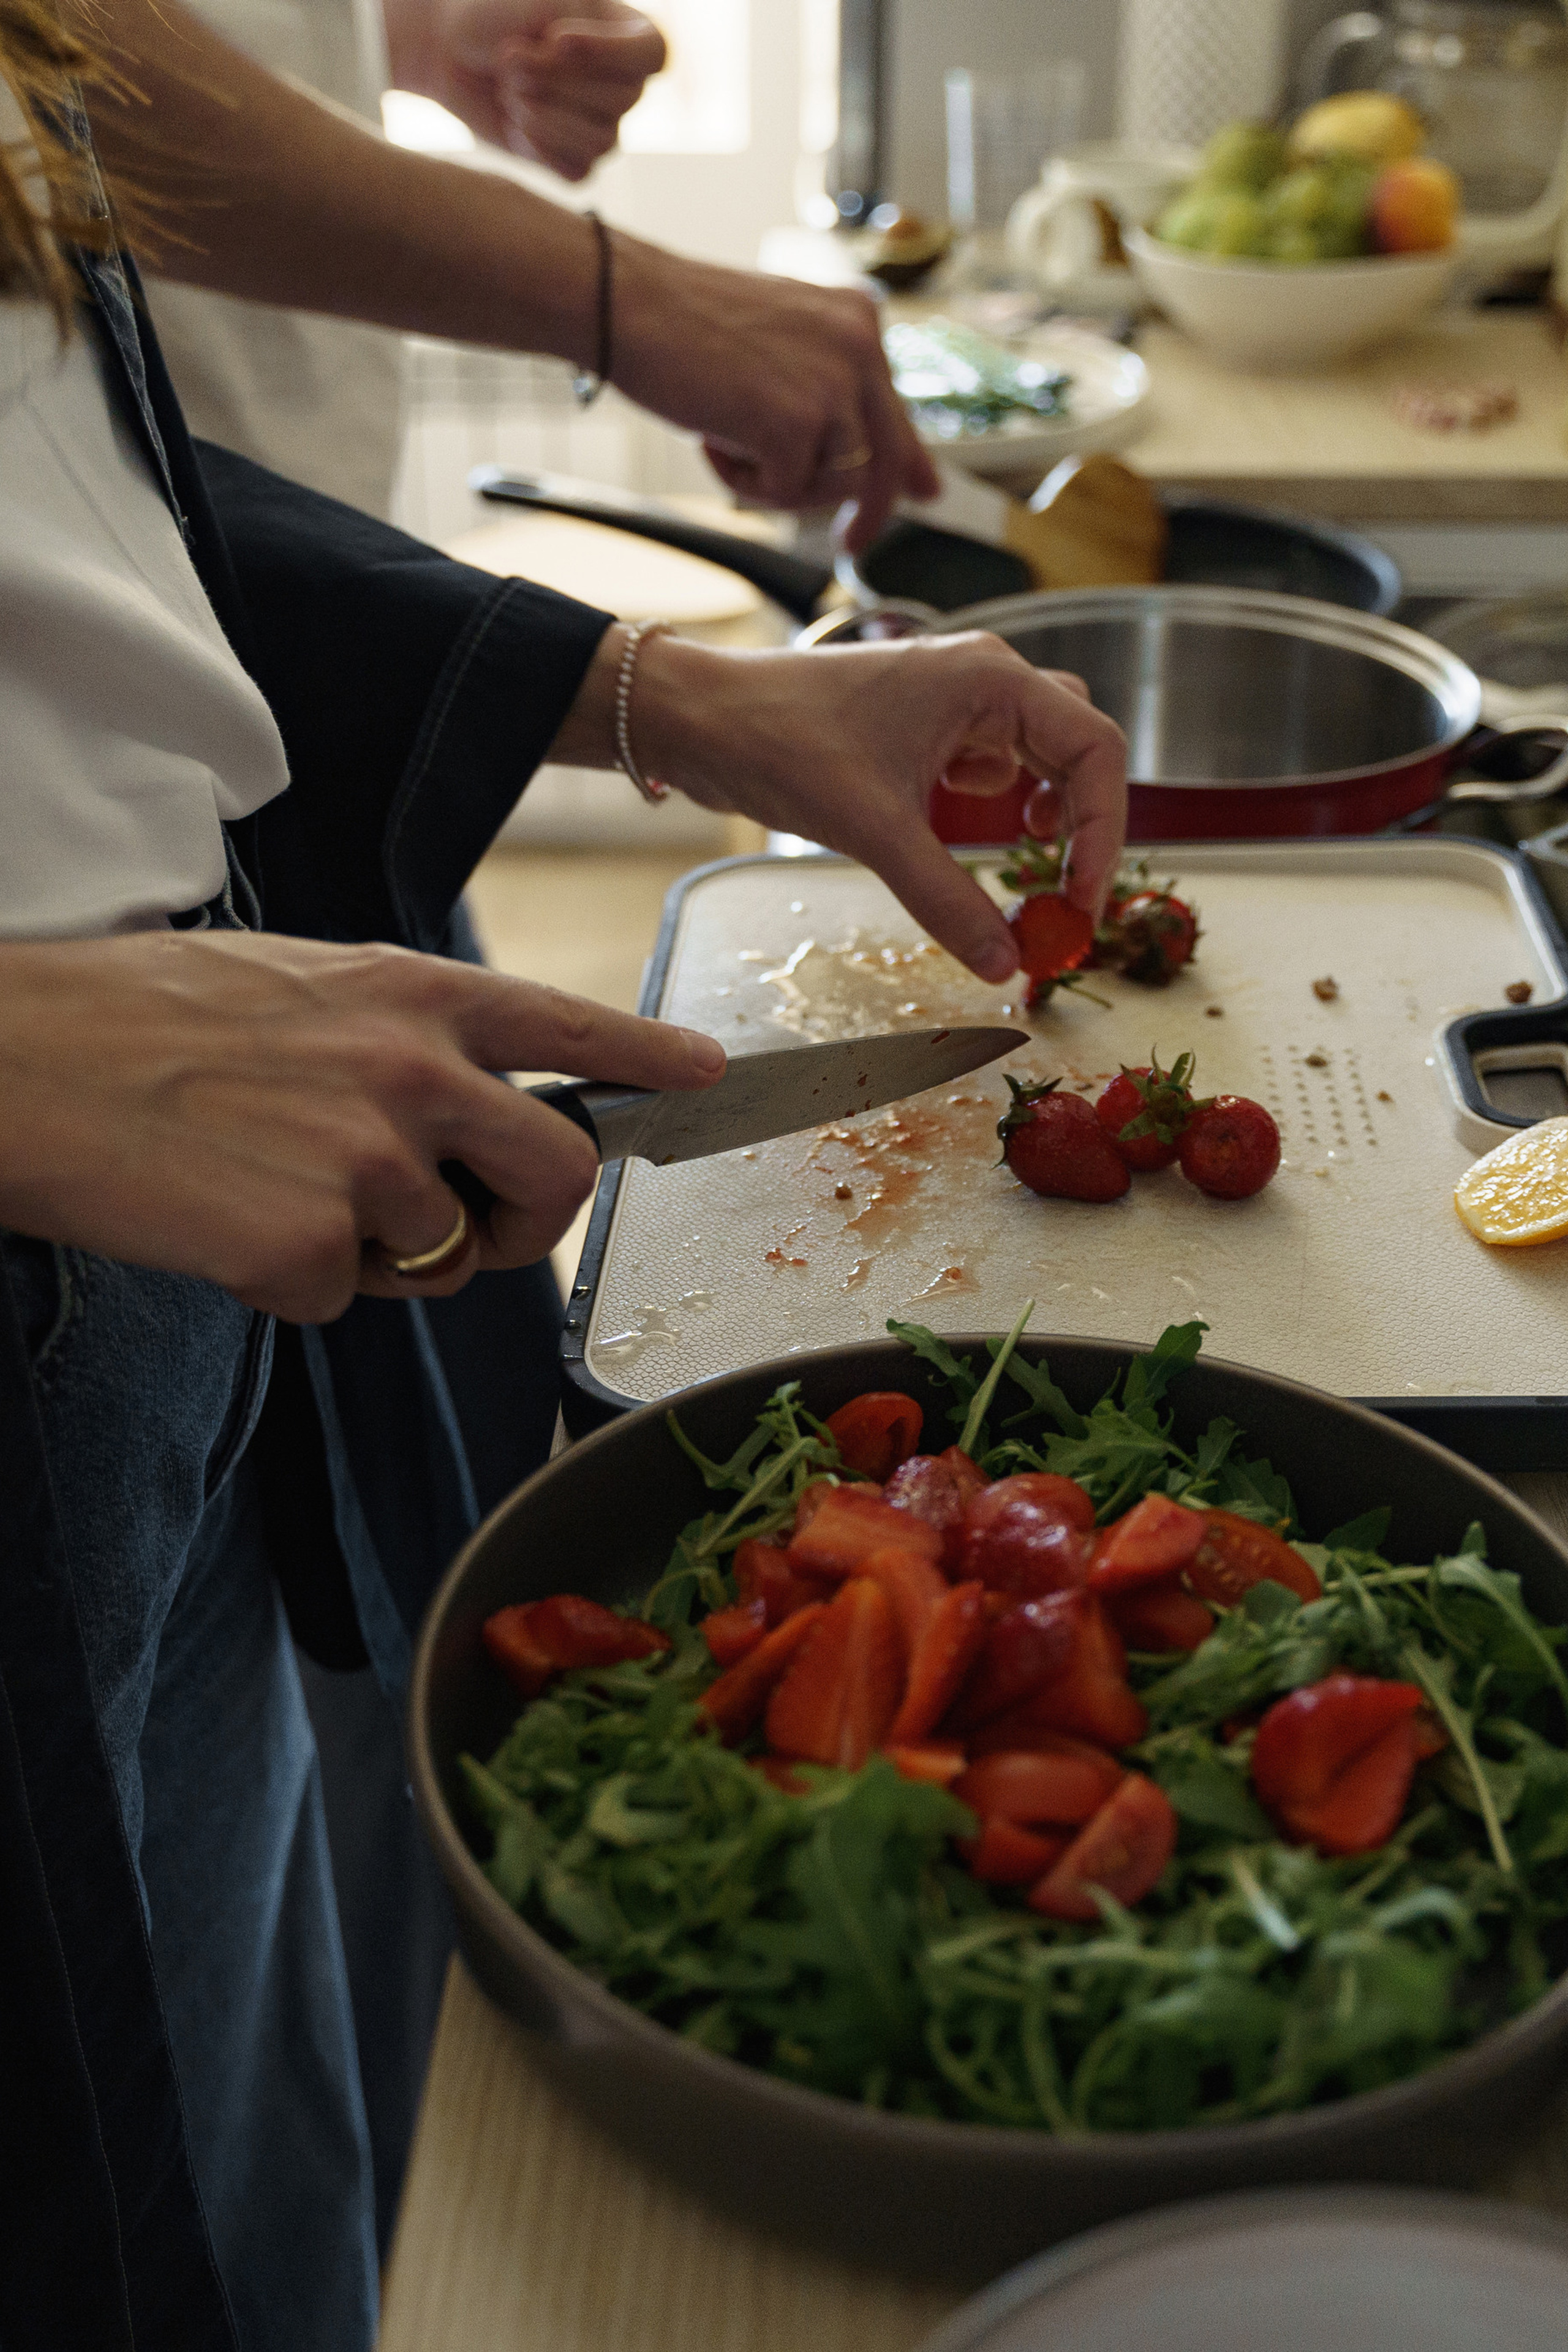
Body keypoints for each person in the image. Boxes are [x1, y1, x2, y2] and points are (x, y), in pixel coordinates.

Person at [0, 10, 1126, 2350]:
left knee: (253, 2156)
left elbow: (80, 473)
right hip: (78, 1136)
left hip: (180, 1200)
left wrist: (671, 697)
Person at [121, 0, 933, 530]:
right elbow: (53, 79)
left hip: (281, 520)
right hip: (124, 549)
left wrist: (424, 38)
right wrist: (633, 299)